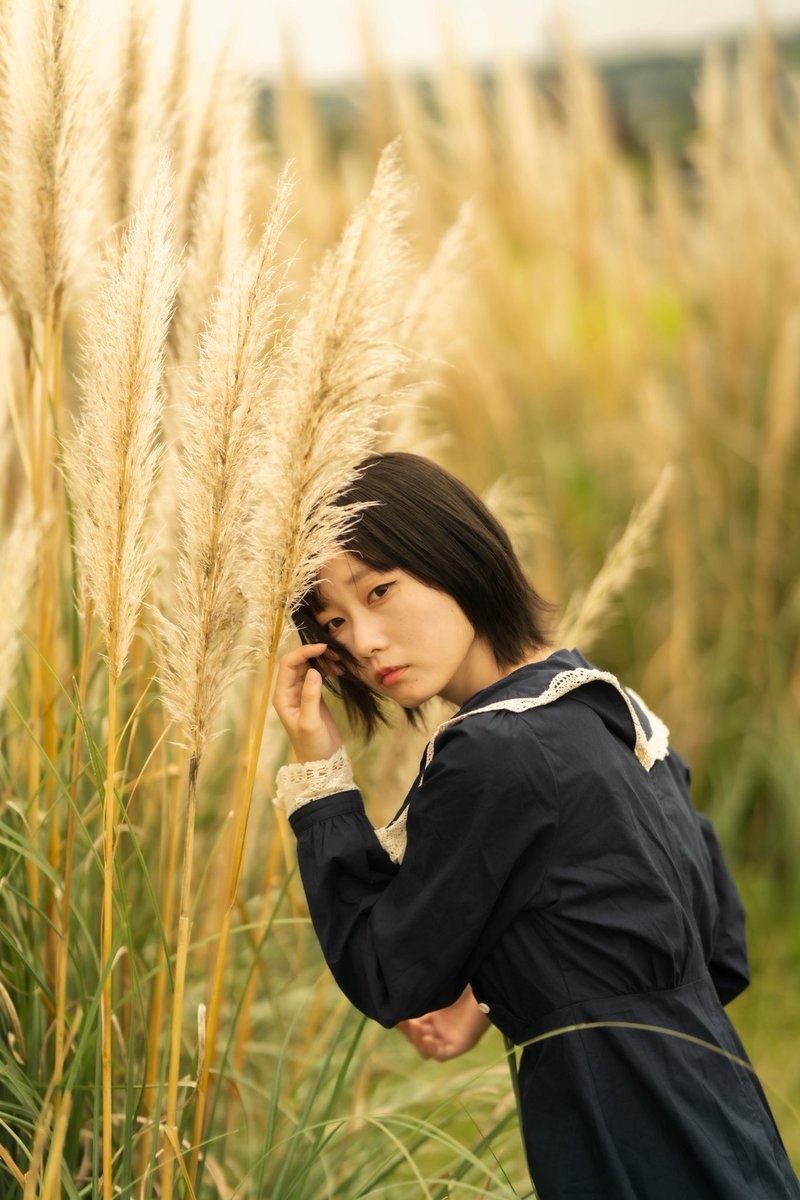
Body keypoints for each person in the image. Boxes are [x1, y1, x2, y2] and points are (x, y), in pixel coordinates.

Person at [272, 451, 800, 1199]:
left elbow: (387, 970)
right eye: (334, 624)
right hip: (726, 1121)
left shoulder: (491, 749)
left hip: (620, 1137)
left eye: (380, 590)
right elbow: (718, 948)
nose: (363, 641)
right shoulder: (611, 711)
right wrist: (501, 995)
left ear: (453, 553)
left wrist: (318, 771)